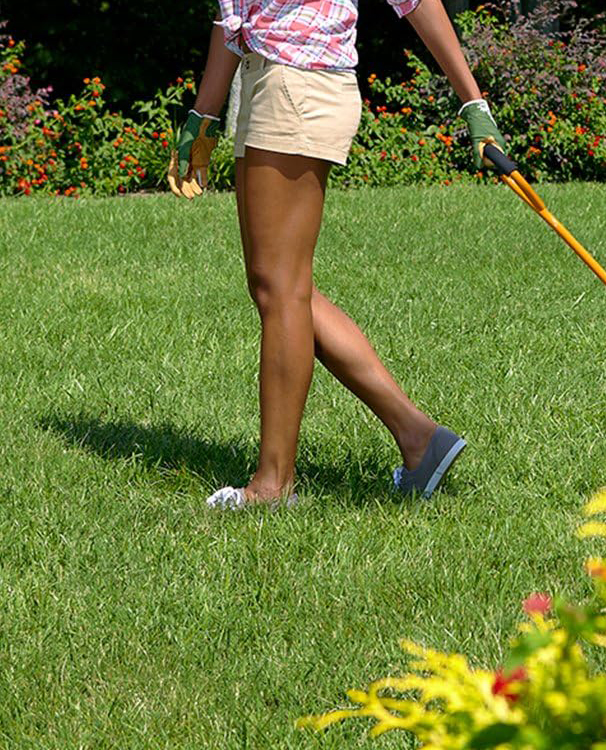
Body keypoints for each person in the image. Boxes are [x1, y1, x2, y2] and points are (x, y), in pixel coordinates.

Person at [171, 0, 501, 508]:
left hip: (298, 84)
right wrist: (204, 115)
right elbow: (232, 16)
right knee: (279, 286)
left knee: (280, 288)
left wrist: (473, 105)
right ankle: (419, 440)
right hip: (271, 83)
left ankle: (273, 485)